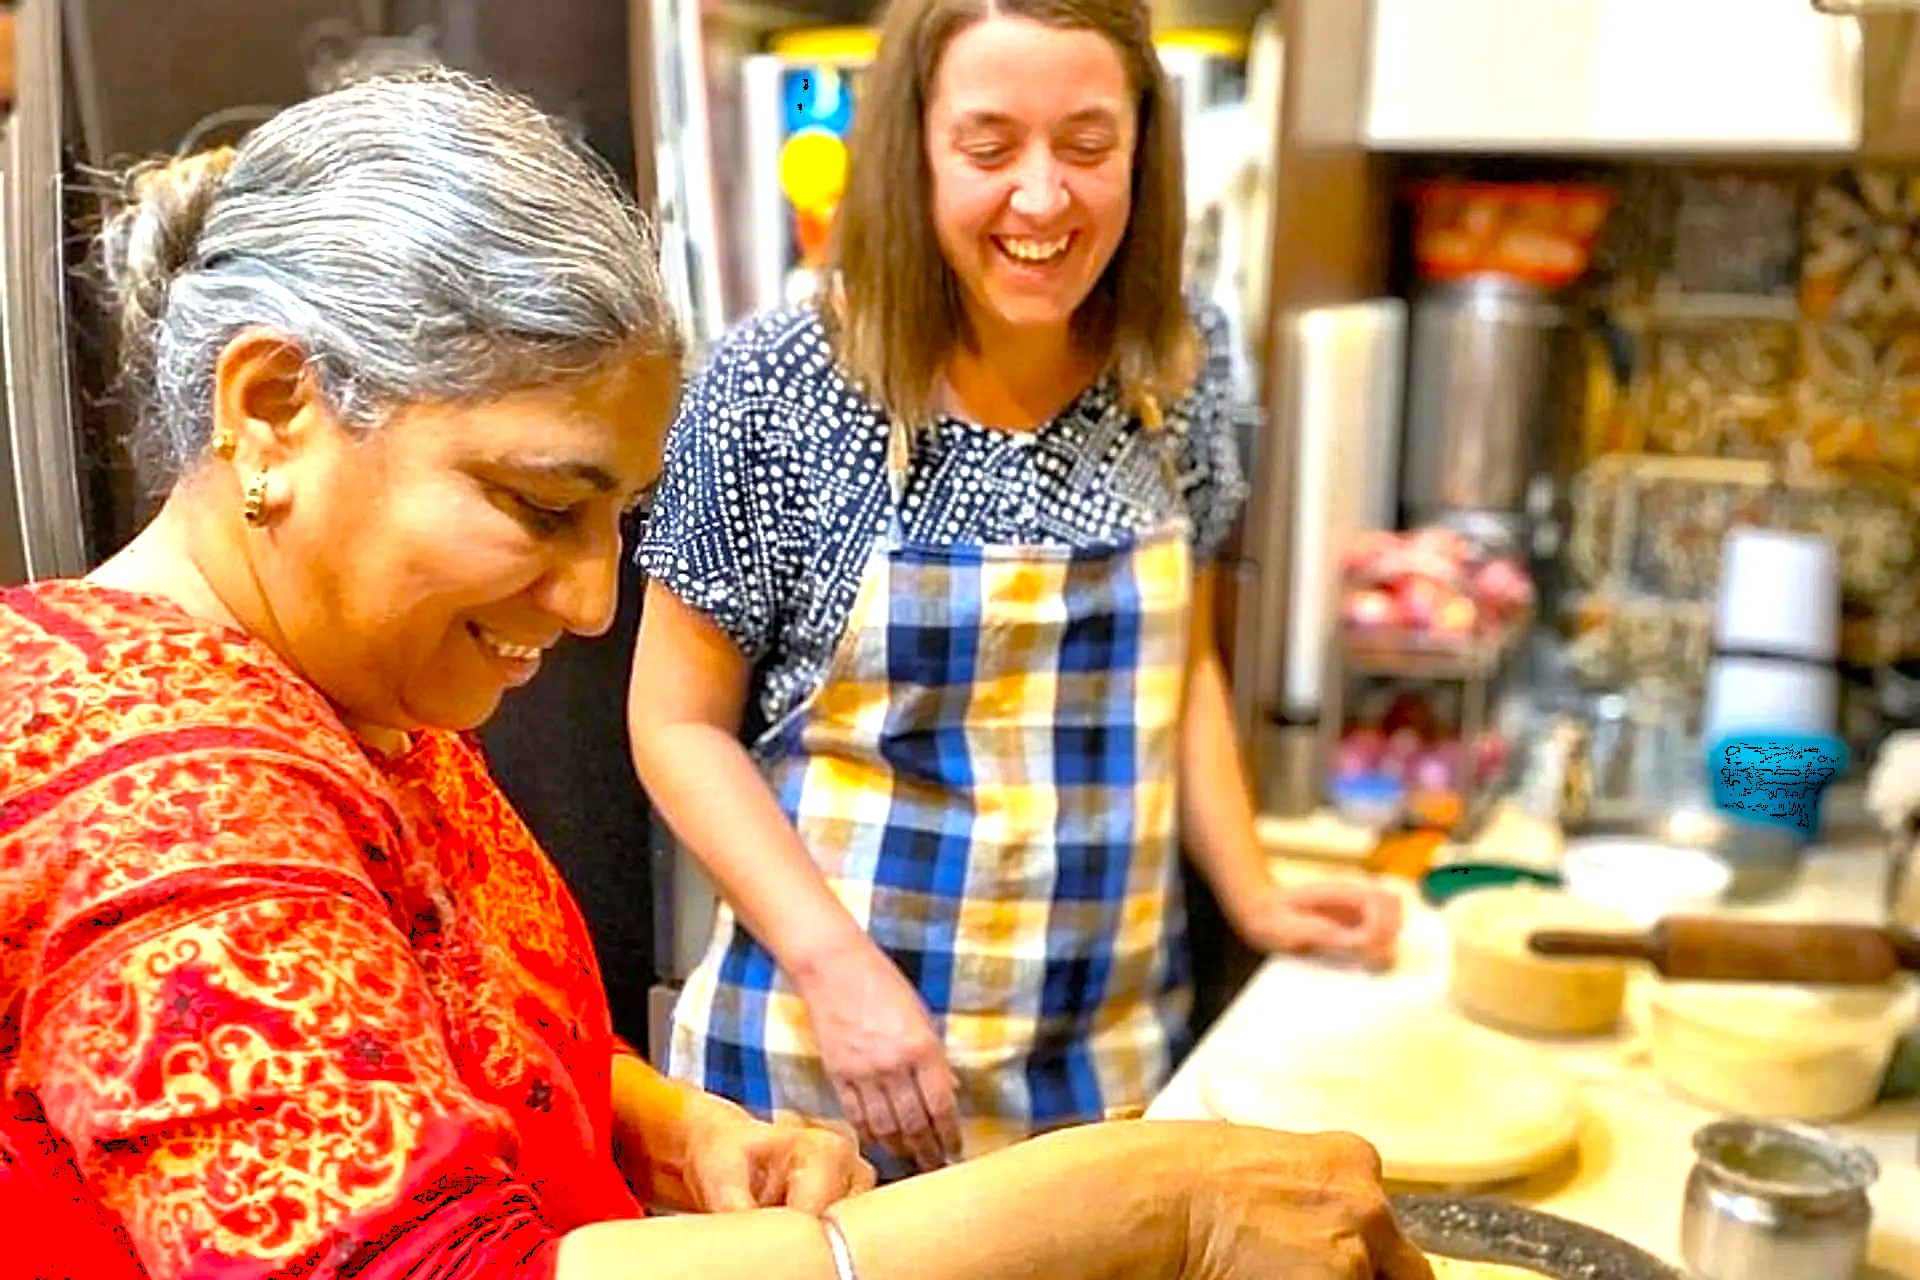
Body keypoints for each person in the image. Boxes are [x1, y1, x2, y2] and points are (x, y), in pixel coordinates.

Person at [0, 67, 1435, 1280]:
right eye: (541, 507)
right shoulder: (161, 806)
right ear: (271, 412)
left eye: (615, 520)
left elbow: (426, 1021)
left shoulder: (343, 691)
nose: (587, 601)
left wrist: (662, 1125)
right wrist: (1143, 1201)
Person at [628, 0, 1403, 1182]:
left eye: (1086, 146)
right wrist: (838, 967)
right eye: (990, 149)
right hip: (830, 1085)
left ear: (1143, 143)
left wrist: (1256, 890)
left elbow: (1175, 659)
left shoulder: (1177, 362)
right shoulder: (777, 388)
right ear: (914, 146)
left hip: (1106, 1073)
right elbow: (675, 723)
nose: (1043, 200)